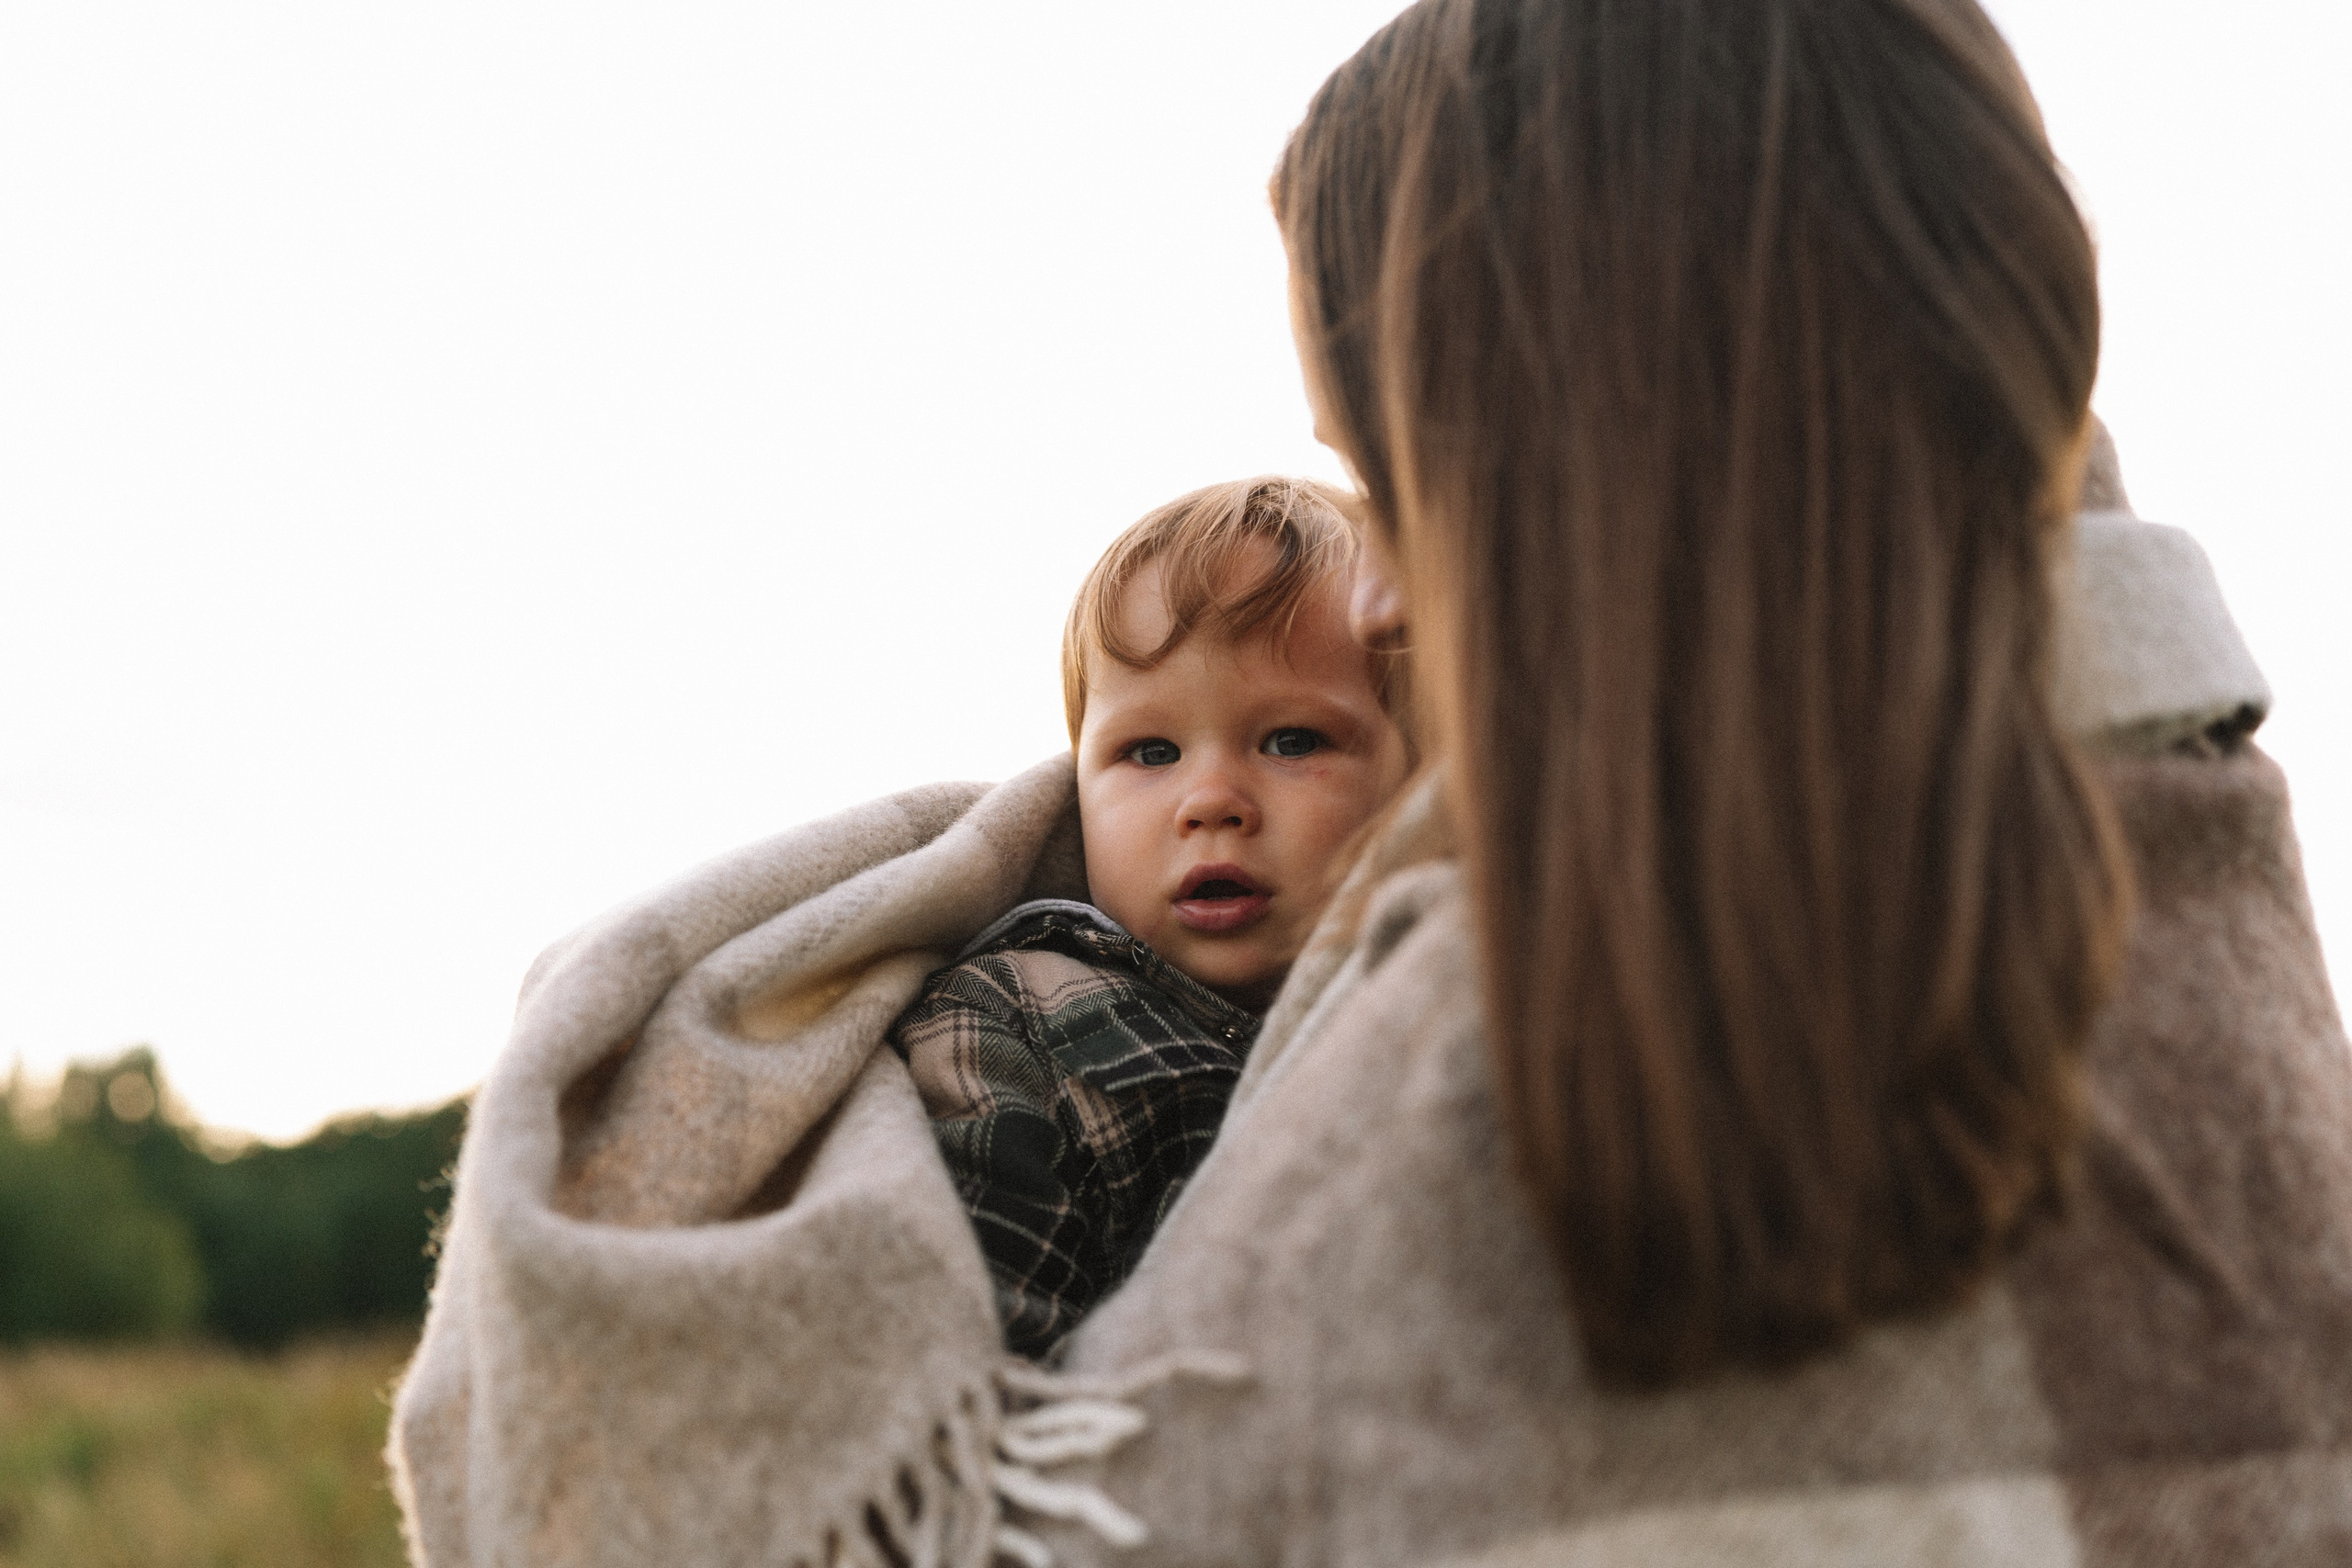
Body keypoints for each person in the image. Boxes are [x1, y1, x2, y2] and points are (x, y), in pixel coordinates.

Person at [389, 1, 2351, 1563]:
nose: (1393, 600)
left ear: (1603, 438)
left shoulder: (1507, 1041)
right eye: (1142, 749)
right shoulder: (2215, 946)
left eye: (1409, 470)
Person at [890, 477, 1408, 1359]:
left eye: (1291, 740)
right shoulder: (1022, 1010)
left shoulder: (1430, 999)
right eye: (1151, 752)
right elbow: (976, 1343)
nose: (1211, 800)